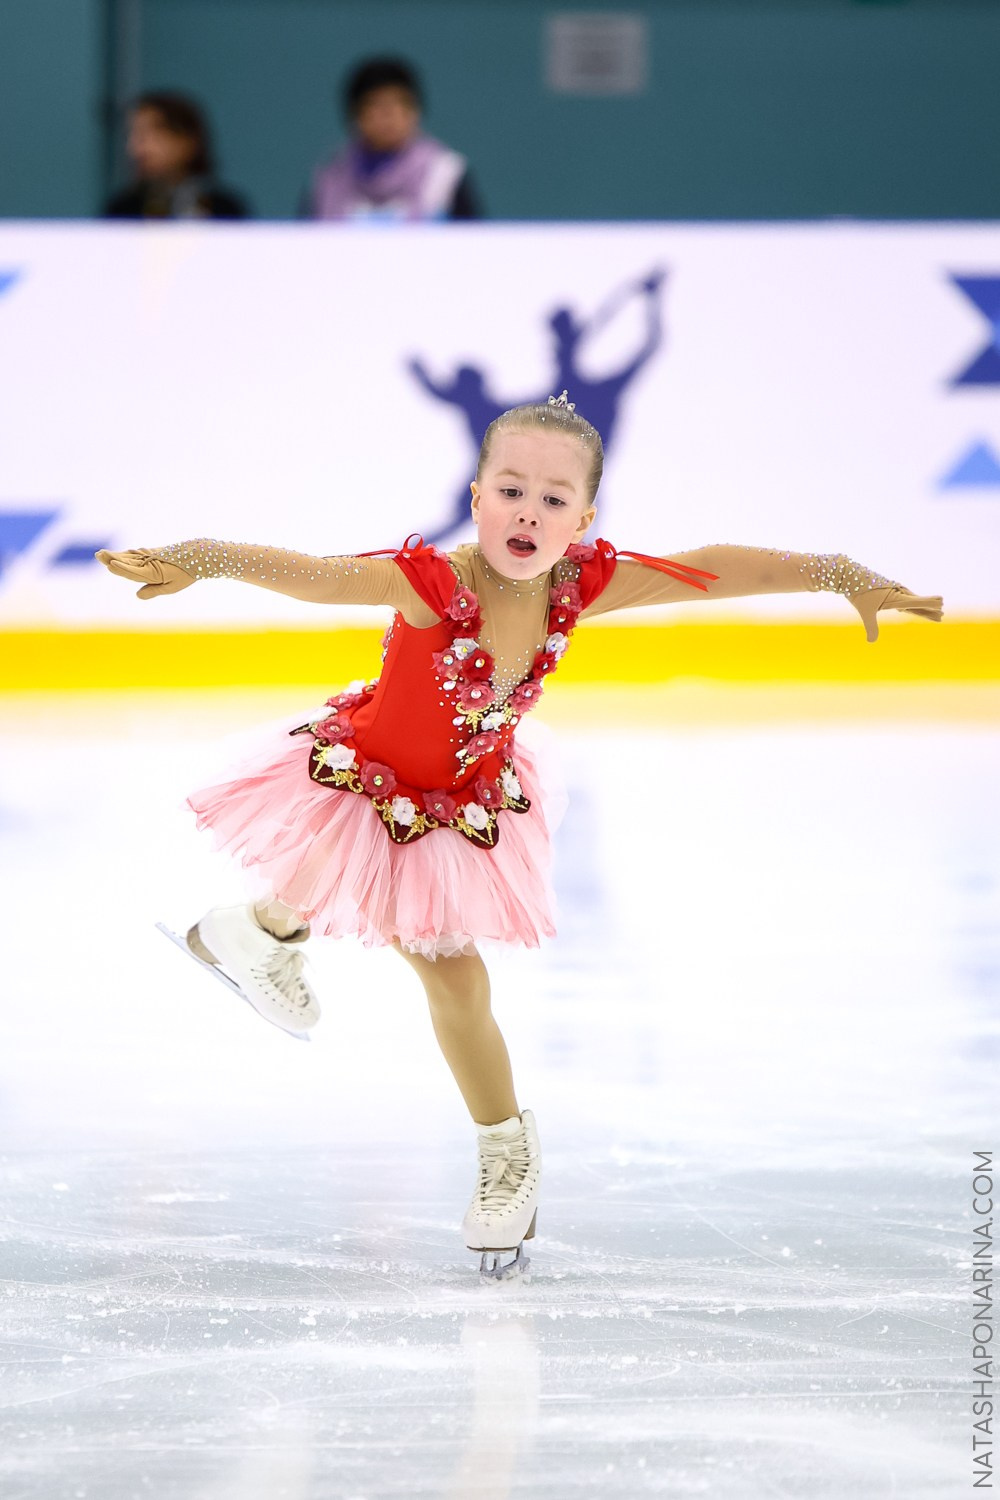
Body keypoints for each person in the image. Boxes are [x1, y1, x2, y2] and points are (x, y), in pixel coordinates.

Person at [95, 392, 943, 1281]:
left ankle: (287, 958)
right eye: (510, 489)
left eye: (552, 497)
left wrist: (841, 570)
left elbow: (716, 569)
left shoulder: (585, 582)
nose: (528, 512)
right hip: (377, 777)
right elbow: (318, 574)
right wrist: (197, 558)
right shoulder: (434, 583)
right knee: (406, 917)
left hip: (460, 799)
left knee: (435, 959)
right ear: (475, 497)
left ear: (584, 517)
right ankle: (298, 968)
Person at [306, 57, 481, 222]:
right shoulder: (330, 178)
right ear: (355, 115)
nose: (389, 116)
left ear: (415, 112)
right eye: (375, 105)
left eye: (399, 104)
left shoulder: (445, 175)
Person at [104, 91, 249, 221]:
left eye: (150, 135)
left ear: (187, 140)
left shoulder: (224, 209)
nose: (135, 148)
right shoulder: (122, 210)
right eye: (133, 134)